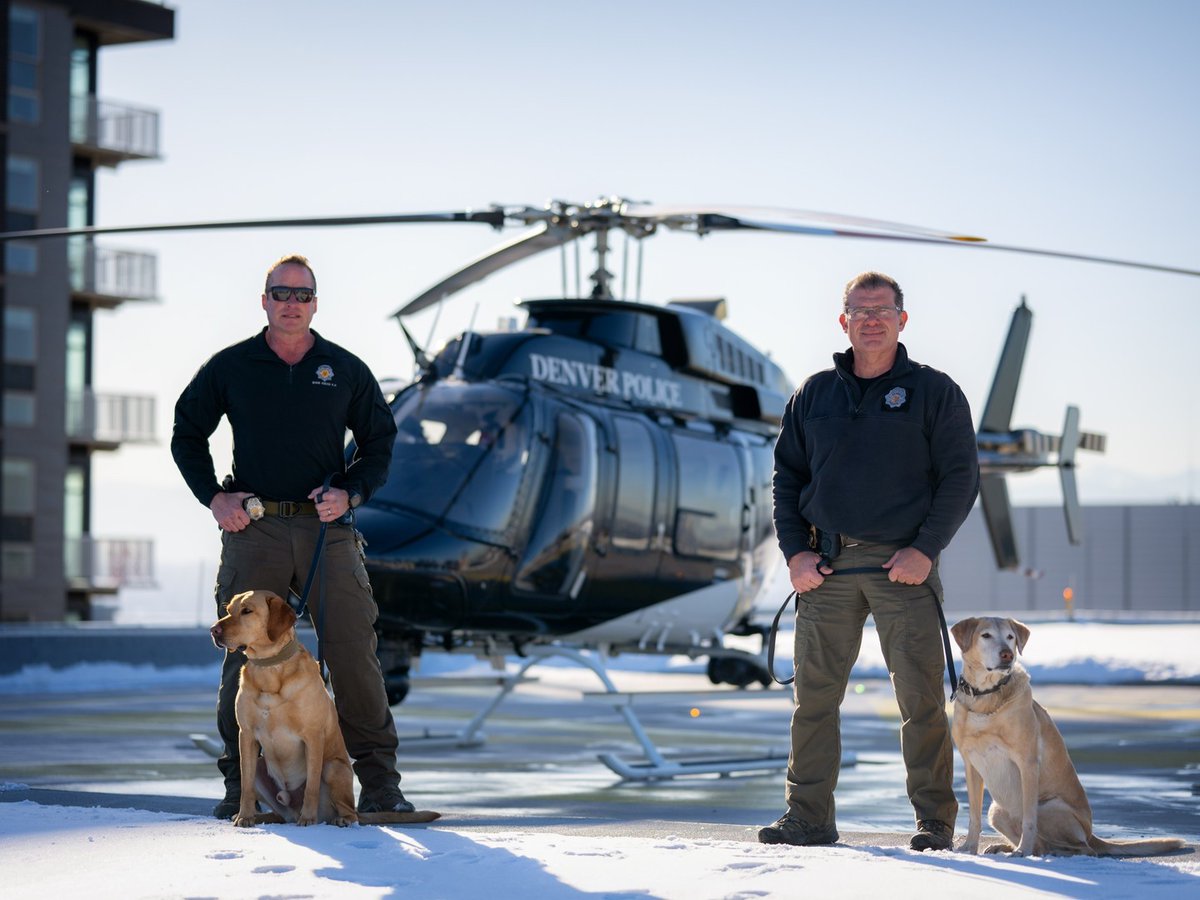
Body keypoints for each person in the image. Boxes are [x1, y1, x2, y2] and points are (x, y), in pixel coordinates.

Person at [171, 253, 414, 819]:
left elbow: (380, 442)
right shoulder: (231, 366)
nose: (292, 304)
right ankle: (241, 787)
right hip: (253, 528)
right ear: (264, 300)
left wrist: (351, 494)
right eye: (281, 293)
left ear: (315, 303)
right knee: (241, 655)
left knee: (354, 655)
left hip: (325, 529)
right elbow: (187, 431)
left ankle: (380, 786)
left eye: (303, 295)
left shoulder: (343, 368)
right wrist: (213, 496)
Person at [760, 271, 979, 851]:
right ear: (844, 321)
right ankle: (807, 818)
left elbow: (961, 479)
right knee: (813, 700)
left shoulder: (934, 392)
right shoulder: (813, 394)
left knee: (922, 700)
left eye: (883, 310)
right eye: (860, 311)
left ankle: (934, 820)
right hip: (825, 568)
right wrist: (796, 554)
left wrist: (925, 550)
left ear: (902, 320)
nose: (872, 319)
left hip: (902, 566)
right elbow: (787, 480)